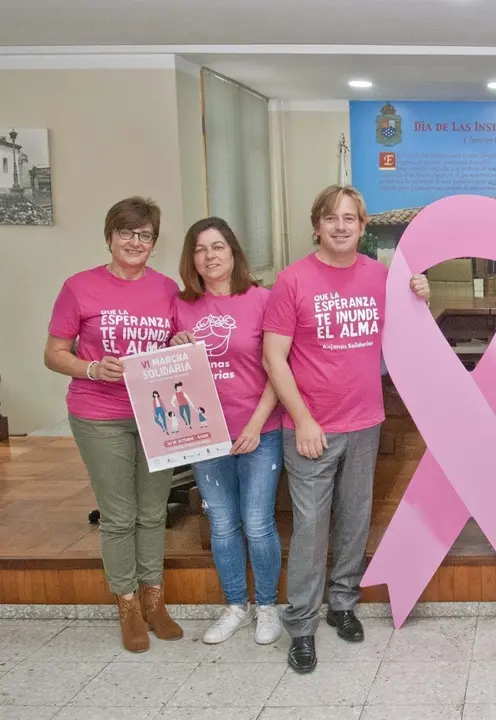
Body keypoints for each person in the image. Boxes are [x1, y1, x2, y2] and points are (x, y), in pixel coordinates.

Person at [262, 185, 430, 674]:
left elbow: (414, 332)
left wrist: (422, 292)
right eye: (331, 218)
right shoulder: (292, 281)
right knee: (312, 530)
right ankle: (302, 627)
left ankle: (341, 603)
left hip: (365, 422)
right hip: (310, 427)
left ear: (362, 226)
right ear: (316, 224)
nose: (340, 226)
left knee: (355, 518)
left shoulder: (381, 277)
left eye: (350, 218)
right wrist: (305, 420)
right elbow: (275, 358)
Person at [43, 196, 184, 652]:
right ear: (110, 236)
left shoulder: (167, 289)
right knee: (120, 517)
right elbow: (54, 353)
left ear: (154, 243)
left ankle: (154, 599)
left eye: (145, 235)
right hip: (99, 416)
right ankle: (127, 605)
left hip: (157, 415)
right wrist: (90, 368)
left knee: (153, 512)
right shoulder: (80, 287)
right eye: (126, 232)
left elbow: (174, 348)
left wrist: (180, 340)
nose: (135, 241)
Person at [172, 217, 285, 646]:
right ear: (192, 259)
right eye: (200, 249)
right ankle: (236, 605)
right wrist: (172, 347)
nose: (210, 256)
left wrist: (257, 425)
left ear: (233, 252)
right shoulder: (180, 305)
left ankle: (268, 607)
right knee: (221, 523)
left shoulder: (261, 300)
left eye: (218, 246)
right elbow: (164, 371)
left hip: (259, 429)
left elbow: (279, 367)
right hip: (204, 434)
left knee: (257, 523)